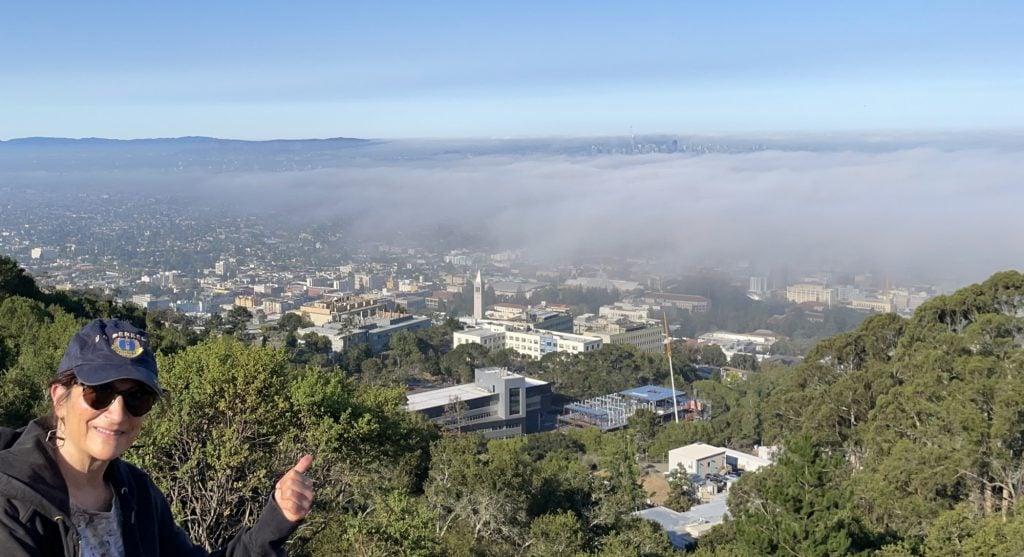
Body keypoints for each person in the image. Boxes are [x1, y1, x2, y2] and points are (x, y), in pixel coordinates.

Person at [0, 318, 315, 556]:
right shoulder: (13, 503)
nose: (118, 413)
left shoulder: (135, 493)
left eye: (137, 398)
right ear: (59, 398)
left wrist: (276, 521)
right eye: (99, 393)